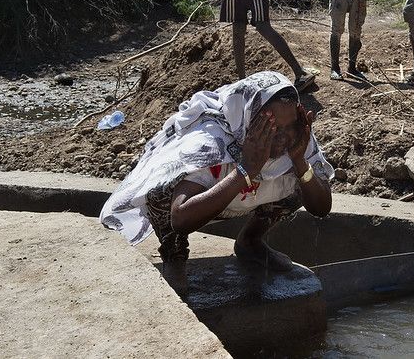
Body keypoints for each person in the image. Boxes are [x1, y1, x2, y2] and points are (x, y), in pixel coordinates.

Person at [100, 71, 334, 283]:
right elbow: (180, 218)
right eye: (271, 126)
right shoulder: (209, 139)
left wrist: (300, 160)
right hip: (205, 200)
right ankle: (174, 254)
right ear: (248, 118)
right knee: (161, 192)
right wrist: (247, 170)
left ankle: (250, 242)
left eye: (289, 127)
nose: (282, 137)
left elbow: (322, 207)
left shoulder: (296, 138)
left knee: (306, 181)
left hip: (243, 196)